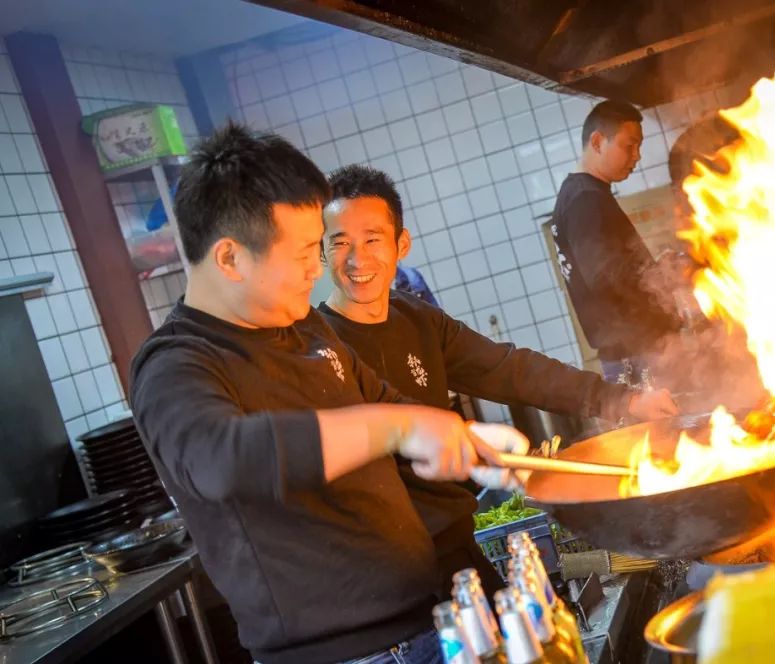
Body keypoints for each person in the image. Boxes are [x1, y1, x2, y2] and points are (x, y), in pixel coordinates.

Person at [129, 124, 499, 664]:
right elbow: (222, 459)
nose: (319, 266)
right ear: (230, 258)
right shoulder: (175, 365)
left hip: (427, 619)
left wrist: (472, 441)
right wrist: (396, 429)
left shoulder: (303, 326)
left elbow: (384, 402)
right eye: (305, 251)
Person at [317, 164, 681, 597]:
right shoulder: (317, 347)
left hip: (455, 547)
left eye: (373, 240)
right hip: (387, 570)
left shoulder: (418, 320)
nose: (357, 260)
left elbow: (509, 369)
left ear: (401, 244)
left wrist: (620, 400)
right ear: (320, 252)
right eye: (340, 244)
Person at [550, 100, 684, 386]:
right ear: (597, 142)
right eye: (629, 145)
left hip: (634, 351)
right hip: (636, 356)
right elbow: (606, 276)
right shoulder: (585, 198)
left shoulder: (583, 194)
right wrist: (663, 274)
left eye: (639, 146)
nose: (637, 156)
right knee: (663, 430)